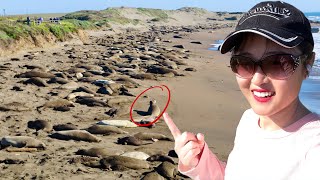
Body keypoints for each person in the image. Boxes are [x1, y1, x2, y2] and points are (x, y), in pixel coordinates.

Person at [163, 1, 320, 180]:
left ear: (308, 63)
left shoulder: (314, 150)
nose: (257, 79)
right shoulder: (249, 120)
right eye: (245, 63)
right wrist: (201, 163)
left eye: (278, 62)